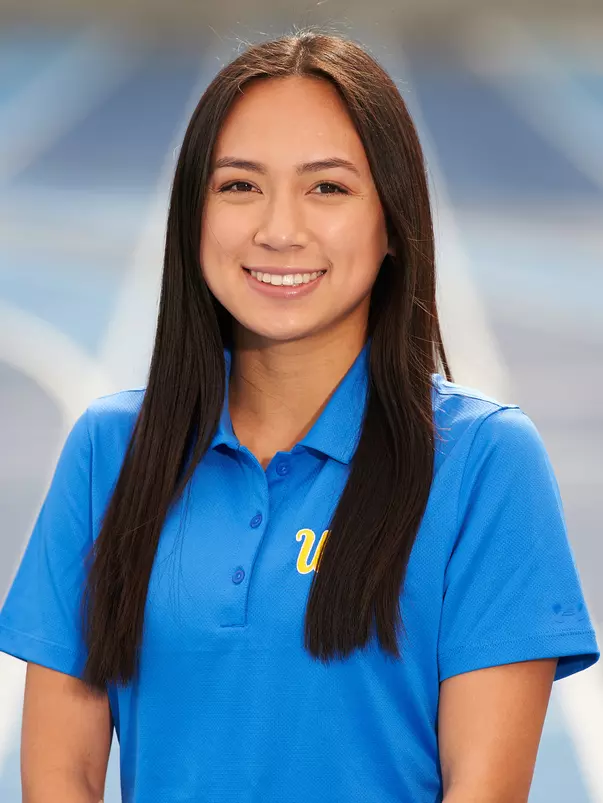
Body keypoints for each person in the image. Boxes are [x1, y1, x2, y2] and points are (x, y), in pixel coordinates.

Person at [0, 28, 599, 803]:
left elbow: (482, 788)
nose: (278, 230)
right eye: (239, 186)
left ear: (392, 221)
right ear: (193, 215)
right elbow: (62, 774)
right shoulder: (111, 451)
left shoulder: (483, 462)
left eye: (327, 188)